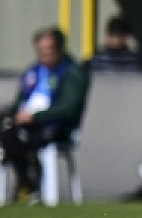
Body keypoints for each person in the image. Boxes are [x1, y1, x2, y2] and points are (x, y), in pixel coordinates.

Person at [1, 27, 88, 204]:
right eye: (41, 50)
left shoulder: (72, 72)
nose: (45, 54)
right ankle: (28, 183)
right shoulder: (33, 72)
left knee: (12, 137)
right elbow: (19, 102)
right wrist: (13, 114)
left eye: (49, 49)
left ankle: (29, 184)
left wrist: (36, 116)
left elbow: (67, 109)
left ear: (59, 48)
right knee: (6, 132)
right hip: (26, 123)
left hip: (55, 126)